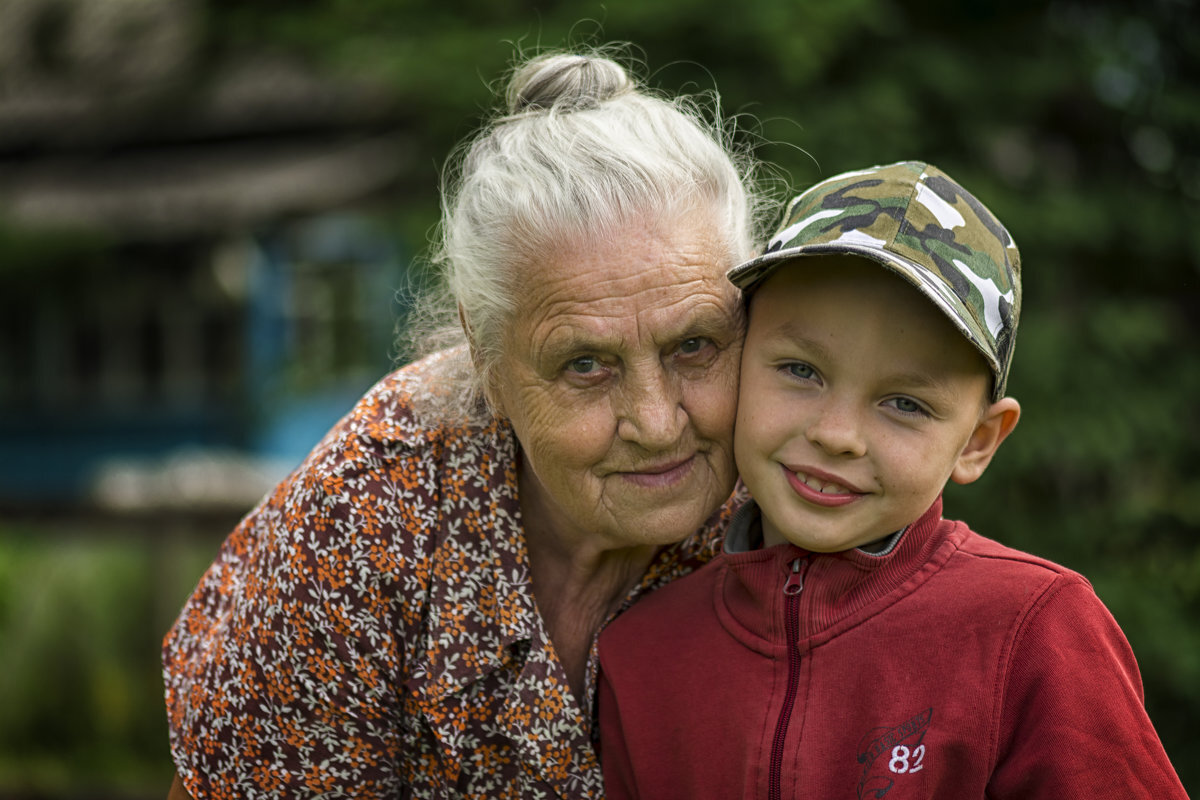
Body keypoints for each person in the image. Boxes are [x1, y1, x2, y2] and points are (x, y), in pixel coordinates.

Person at [162, 49, 765, 799]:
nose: (655, 419)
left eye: (694, 345)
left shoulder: (787, 492)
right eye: (585, 365)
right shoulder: (366, 518)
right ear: (488, 364)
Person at [597, 161, 1189, 799]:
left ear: (978, 441)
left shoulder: (1033, 631)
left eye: (905, 403)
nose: (837, 434)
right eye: (800, 370)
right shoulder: (642, 653)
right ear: (736, 361)